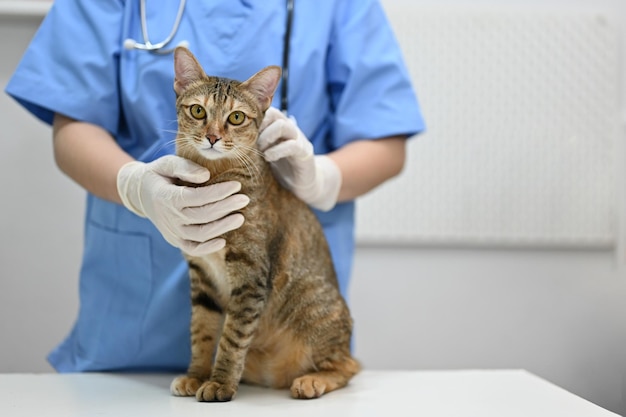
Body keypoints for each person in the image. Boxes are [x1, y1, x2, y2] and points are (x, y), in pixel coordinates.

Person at [5, 0, 425, 372]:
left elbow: (386, 140)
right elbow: (72, 126)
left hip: (286, 338)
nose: (214, 132)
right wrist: (135, 186)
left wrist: (322, 177)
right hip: (132, 323)